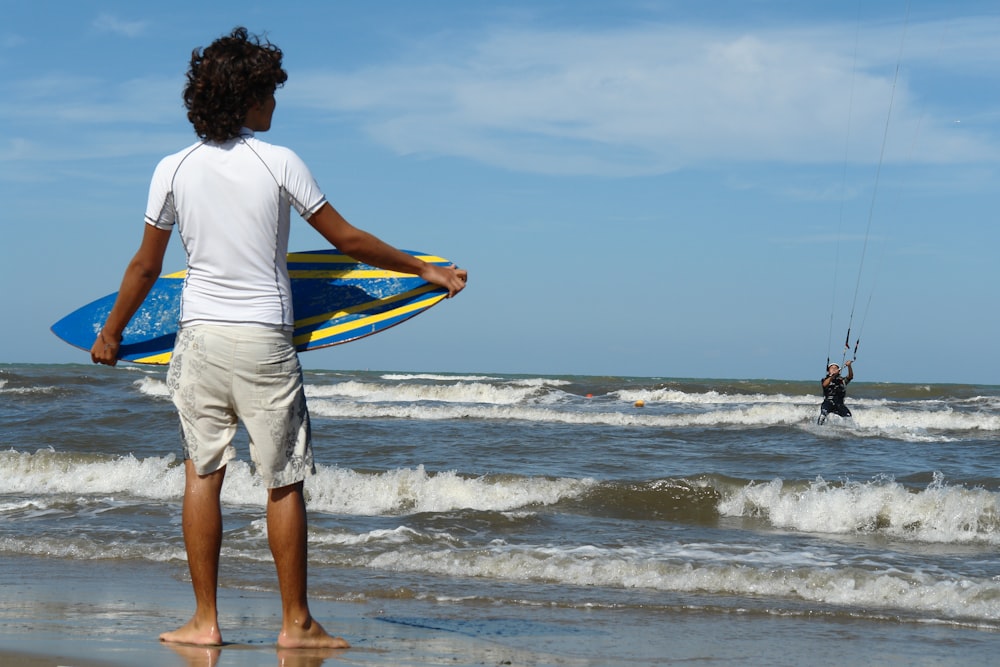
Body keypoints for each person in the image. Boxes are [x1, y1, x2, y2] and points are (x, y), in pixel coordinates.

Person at [90, 27, 467, 649]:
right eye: (268, 91)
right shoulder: (281, 161)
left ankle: (204, 622)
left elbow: (145, 267)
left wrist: (112, 334)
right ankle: (295, 625)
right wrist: (423, 270)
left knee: (202, 475)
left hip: (199, 340)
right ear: (244, 97)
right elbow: (346, 243)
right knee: (282, 480)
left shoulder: (172, 168)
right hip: (264, 337)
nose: (275, 103)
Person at [818, 360, 854, 425]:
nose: (834, 369)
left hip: (839, 404)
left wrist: (849, 366)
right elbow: (824, 385)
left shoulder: (842, 380)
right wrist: (832, 376)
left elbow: (850, 376)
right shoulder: (825, 379)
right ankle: (818, 427)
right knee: (822, 416)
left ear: (839, 371)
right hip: (828, 402)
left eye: (836, 368)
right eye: (832, 368)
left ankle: (850, 430)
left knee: (849, 417)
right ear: (828, 371)